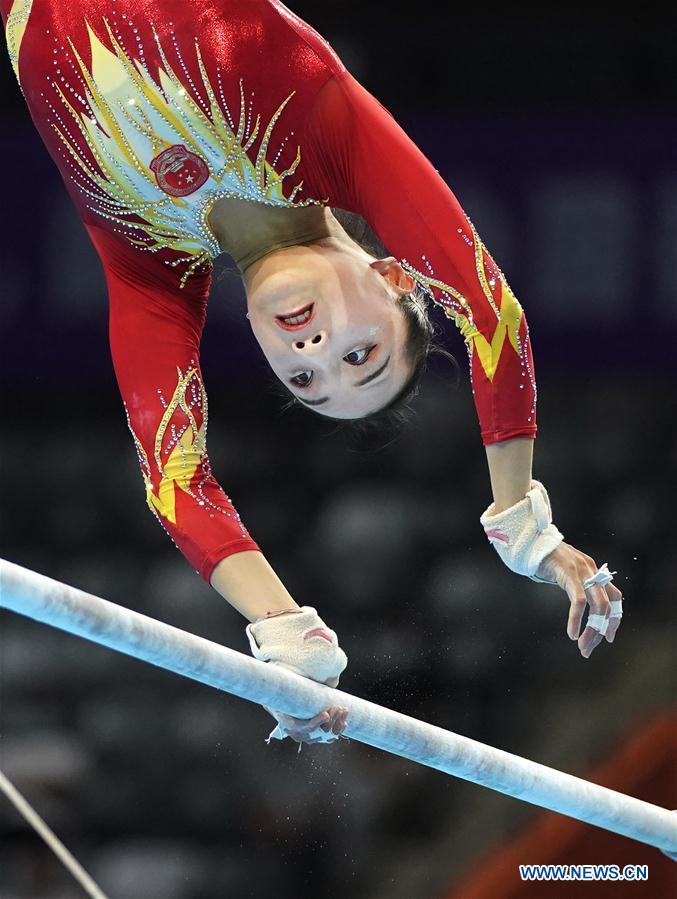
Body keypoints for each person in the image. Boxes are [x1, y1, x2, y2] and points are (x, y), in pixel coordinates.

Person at [2, 0, 623, 746]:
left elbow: (174, 479)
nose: (313, 351)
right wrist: (522, 522)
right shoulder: (333, 140)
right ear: (395, 276)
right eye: (357, 355)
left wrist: (287, 632)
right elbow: (491, 315)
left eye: (305, 379)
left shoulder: (148, 268)